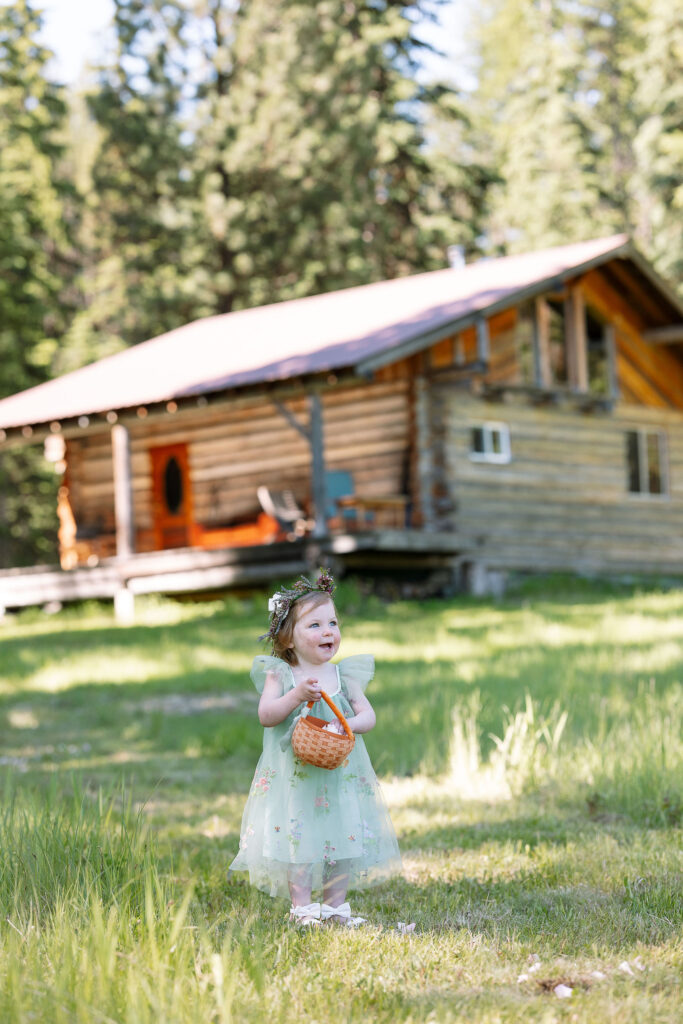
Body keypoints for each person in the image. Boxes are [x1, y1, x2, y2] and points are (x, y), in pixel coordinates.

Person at [229, 568, 402, 926]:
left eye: (333, 623)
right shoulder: (281, 673)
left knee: (343, 834)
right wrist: (295, 695)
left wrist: (347, 724)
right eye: (315, 625)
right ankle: (303, 908)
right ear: (288, 638)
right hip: (296, 779)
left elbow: (368, 716)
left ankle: (336, 906)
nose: (328, 632)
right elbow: (266, 715)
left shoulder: (343, 675)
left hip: (339, 773)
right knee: (300, 837)